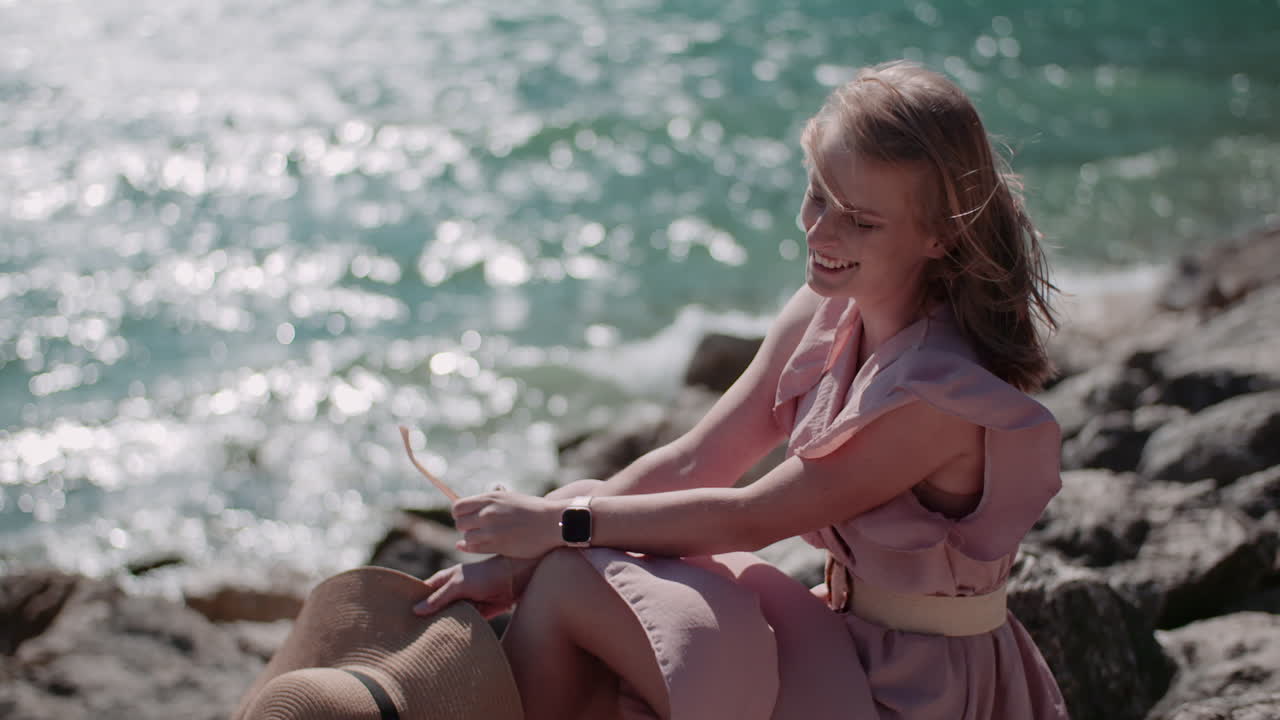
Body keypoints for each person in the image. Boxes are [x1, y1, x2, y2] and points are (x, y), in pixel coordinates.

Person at [413, 60, 1069, 720]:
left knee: (570, 570)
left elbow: (750, 519)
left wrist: (556, 527)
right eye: (818, 196)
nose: (820, 232)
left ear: (940, 234)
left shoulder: (935, 396)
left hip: (914, 688)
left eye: (860, 221)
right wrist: (519, 562)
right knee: (576, 543)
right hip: (840, 637)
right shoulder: (827, 308)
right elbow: (699, 460)